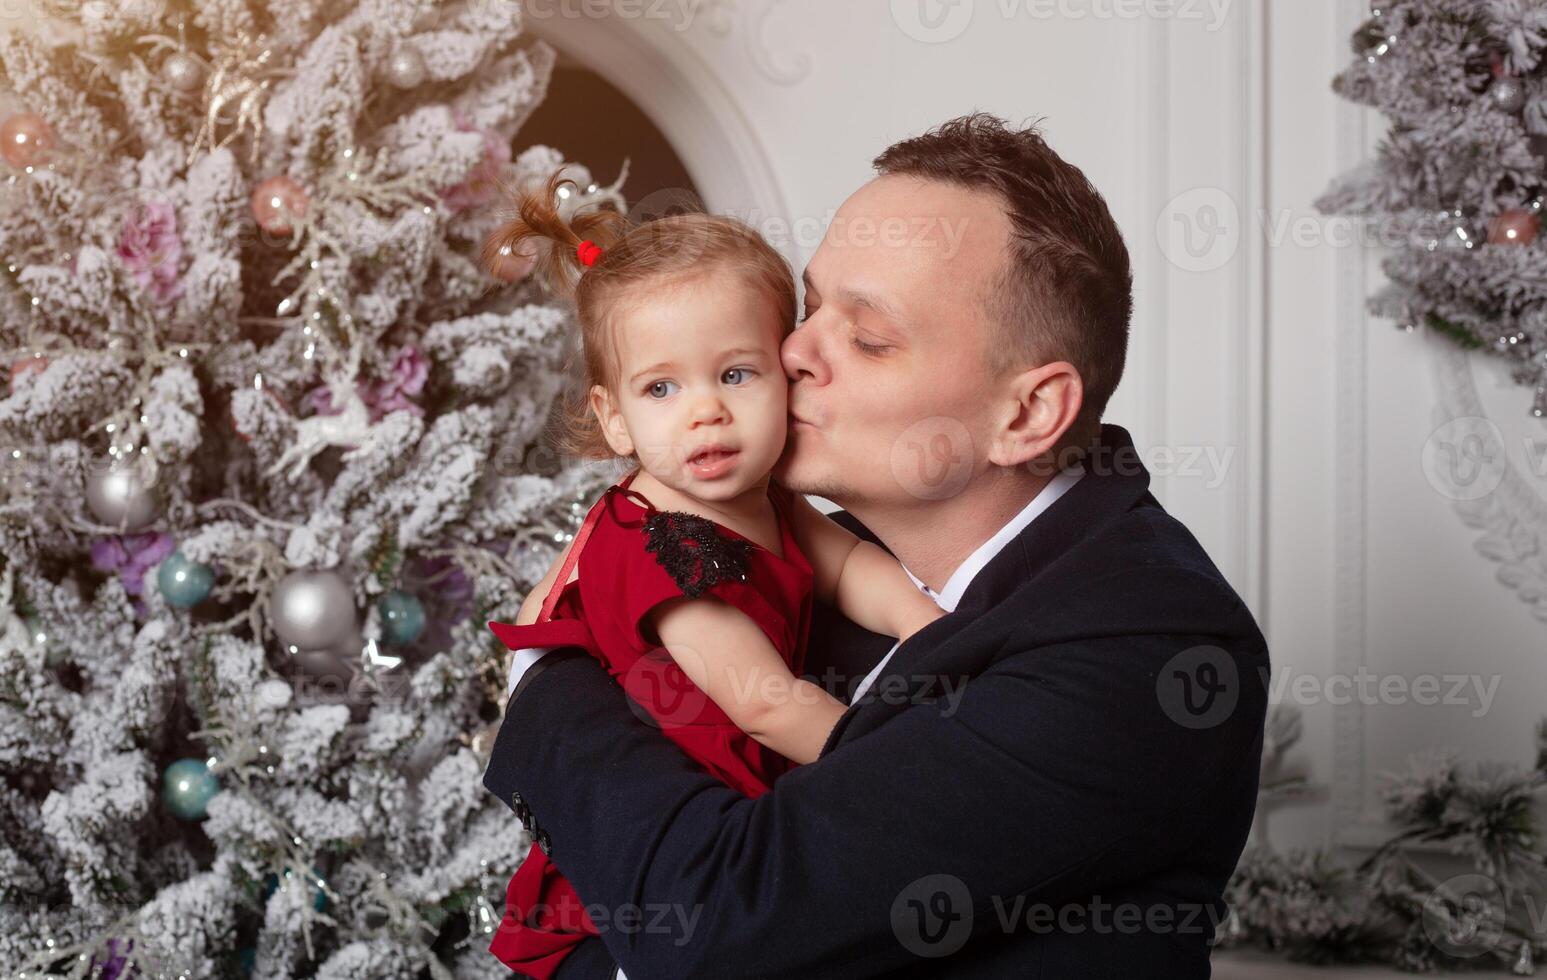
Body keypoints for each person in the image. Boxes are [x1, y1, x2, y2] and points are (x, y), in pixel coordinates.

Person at [484, 113, 1269, 978]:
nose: (790, 353)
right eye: (810, 307)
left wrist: (545, 680)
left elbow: (721, 927)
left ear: (1026, 414)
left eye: (865, 336)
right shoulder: (804, 554)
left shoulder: (1142, 646)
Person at [478, 171, 943, 978]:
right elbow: (765, 705)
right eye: (661, 388)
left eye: (735, 374)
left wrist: (931, 627)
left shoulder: (752, 493)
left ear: (784, 374)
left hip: (739, 804)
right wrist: (893, 768)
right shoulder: (658, 545)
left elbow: (845, 565)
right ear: (613, 416)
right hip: (649, 874)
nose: (706, 411)